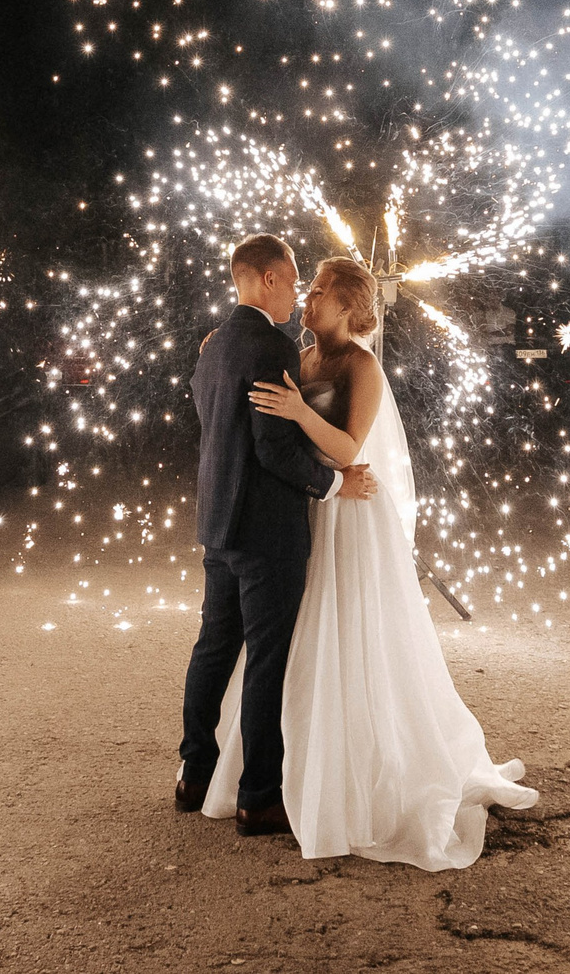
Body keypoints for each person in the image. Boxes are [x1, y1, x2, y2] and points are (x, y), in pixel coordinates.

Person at [200, 253, 538, 869]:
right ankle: (282, 770)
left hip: (350, 509)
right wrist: (222, 352)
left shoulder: (363, 365)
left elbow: (350, 447)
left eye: (323, 291)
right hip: (309, 506)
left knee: (349, 626)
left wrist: (301, 412)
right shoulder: (296, 356)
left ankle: (358, 765)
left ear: (351, 306)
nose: (310, 297)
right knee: (294, 636)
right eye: (311, 287)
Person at [176, 235, 378, 835]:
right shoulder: (272, 347)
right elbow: (271, 450)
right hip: (267, 529)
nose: (298, 293)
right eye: (294, 282)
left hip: (218, 521)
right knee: (267, 660)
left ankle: (193, 773)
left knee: (212, 648)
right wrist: (336, 486)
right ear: (267, 279)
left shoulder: (216, 343)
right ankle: (258, 795)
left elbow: (209, 410)